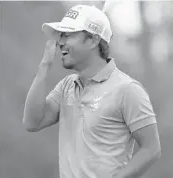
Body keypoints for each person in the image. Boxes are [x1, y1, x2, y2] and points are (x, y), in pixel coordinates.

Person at [23, 4, 161, 178]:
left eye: (68, 35)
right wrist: (44, 67)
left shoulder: (128, 89)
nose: (60, 42)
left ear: (93, 40)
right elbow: (32, 122)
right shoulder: (66, 86)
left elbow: (151, 148)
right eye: (60, 36)